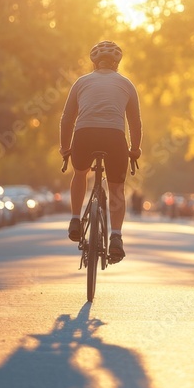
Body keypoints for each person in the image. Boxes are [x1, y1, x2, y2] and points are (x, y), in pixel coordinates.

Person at [59, 40, 142, 263]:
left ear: (94, 63)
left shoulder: (81, 82)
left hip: (84, 136)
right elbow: (135, 122)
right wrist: (134, 150)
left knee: (79, 172)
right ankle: (116, 237)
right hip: (115, 139)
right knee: (116, 187)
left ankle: (75, 219)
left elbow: (67, 119)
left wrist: (65, 148)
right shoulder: (126, 84)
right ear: (117, 64)